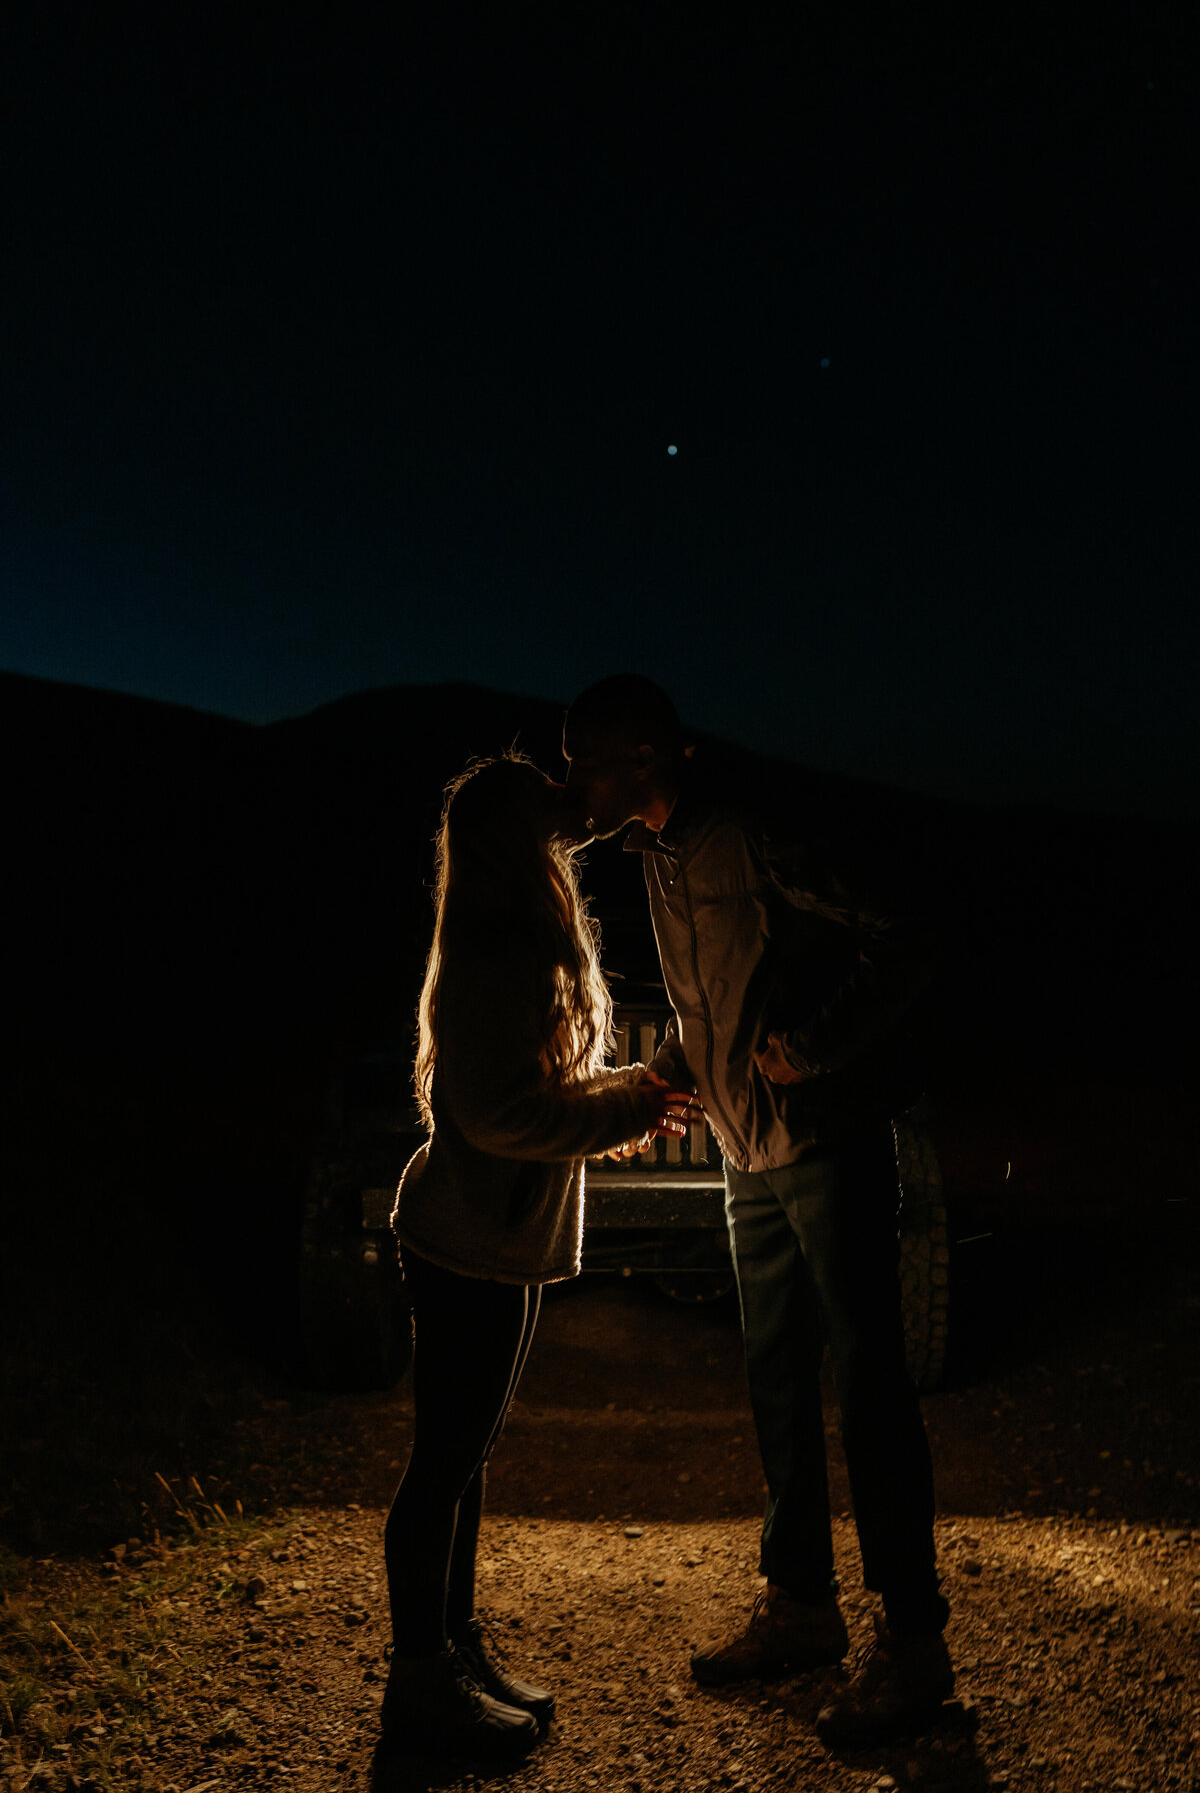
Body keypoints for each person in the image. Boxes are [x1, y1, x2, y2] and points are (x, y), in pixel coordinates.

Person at [562, 676, 956, 1747]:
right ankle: (802, 1609)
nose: (575, 783)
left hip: (819, 1140)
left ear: (644, 755)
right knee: (775, 1376)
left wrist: (816, 1049)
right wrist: (672, 1073)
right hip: (745, 1150)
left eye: (586, 760)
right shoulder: (654, 857)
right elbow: (712, 995)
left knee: (868, 1379)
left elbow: (904, 932)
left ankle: (914, 1643)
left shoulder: (752, 832)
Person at [381, 752, 695, 1762]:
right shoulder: (493, 941)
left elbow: (539, 1082)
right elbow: (499, 1112)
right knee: (442, 1465)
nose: (567, 804)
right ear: (508, 834)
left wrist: (626, 1093)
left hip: (495, 1239)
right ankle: (419, 1688)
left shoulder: (520, 925)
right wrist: (626, 1107)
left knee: (464, 1459)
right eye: (543, 798)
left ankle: (454, 1650)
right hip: (466, 1238)